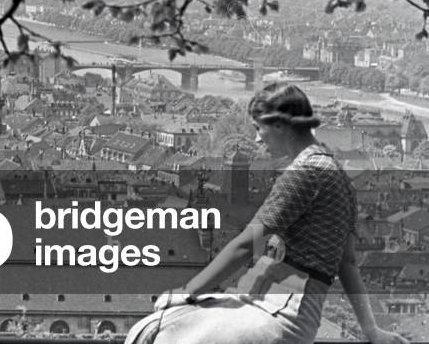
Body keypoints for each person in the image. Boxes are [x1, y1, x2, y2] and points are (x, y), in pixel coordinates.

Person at [126, 82, 409, 344]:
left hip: (277, 308)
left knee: (159, 328)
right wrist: (371, 329)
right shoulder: (340, 179)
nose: (257, 140)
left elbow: (247, 244)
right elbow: (347, 264)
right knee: (163, 325)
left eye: (259, 129)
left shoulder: (305, 173)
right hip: (292, 312)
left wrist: (187, 291)